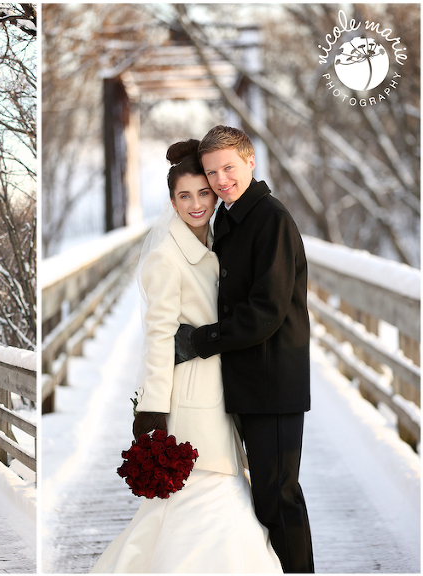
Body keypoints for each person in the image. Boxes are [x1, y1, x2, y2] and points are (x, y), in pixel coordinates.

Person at [91, 139, 282, 573]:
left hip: (221, 390)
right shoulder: (165, 257)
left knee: (198, 501)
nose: (196, 204)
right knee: (208, 496)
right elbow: (158, 339)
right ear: (171, 200)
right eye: (184, 196)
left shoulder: (217, 241)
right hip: (193, 400)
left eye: (204, 193)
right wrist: (153, 409)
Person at [170, 125, 314, 573]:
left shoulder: (270, 219)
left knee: (278, 497)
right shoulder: (231, 217)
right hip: (248, 380)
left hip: (273, 381)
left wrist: (201, 339)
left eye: (228, 168)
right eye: (211, 172)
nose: (220, 180)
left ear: (251, 162)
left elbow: (266, 310)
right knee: (267, 494)